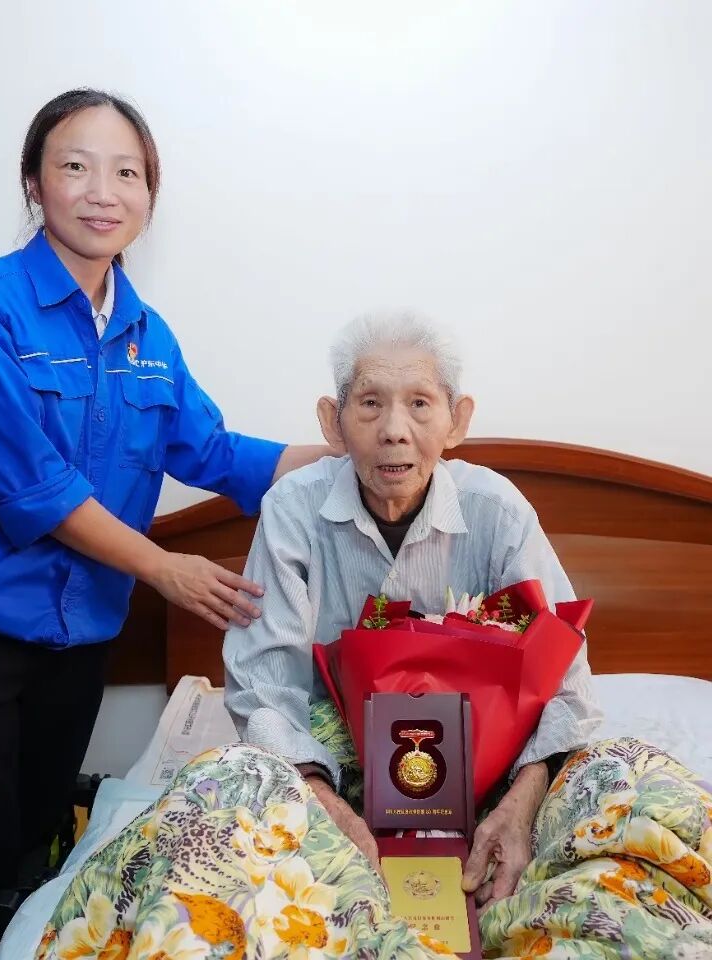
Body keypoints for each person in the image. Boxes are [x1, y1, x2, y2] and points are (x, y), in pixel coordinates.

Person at [0, 88, 332, 959]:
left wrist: (365, 445)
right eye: (75, 167)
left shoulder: (148, 335)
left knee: (36, 865)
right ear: (34, 183)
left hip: (74, 644)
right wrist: (163, 567)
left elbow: (219, 454)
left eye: (126, 173)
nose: (101, 192)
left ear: (149, 195)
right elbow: (30, 486)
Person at [223, 311, 603, 909]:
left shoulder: (497, 512)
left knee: (626, 779)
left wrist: (521, 801)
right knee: (214, 791)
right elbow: (265, 689)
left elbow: (565, 681)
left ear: (457, 419)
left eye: (420, 404)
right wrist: (325, 807)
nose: (394, 430)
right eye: (370, 403)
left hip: (496, 772)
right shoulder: (292, 511)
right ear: (333, 422)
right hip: (331, 769)